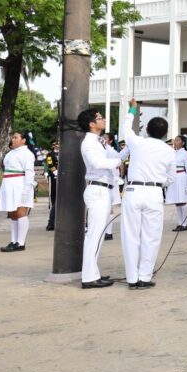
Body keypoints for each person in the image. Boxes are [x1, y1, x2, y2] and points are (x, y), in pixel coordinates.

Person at [120, 99, 177, 289]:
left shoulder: (137, 142)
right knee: (151, 236)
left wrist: (132, 110)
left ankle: (131, 278)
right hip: (154, 192)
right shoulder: (169, 151)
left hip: (134, 190)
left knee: (131, 235)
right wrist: (161, 183)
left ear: (147, 131)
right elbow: (171, 178)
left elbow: (126, 128)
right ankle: (144, 277)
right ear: (165, 134)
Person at [77, 108, 123, 289]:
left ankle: (93, 272)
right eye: (100, 118)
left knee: (99, 234)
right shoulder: (89, 142)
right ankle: (89, 277)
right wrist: (118, 163)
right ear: (91, 124)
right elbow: (98, 163)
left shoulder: (99, 141)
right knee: (94, 234)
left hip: (104, 189)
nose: (103, 120)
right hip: (97, 189)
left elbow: (115, 156)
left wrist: (128, 151)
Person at [0, 131, 36, 252]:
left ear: (23, 140)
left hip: (20, 184)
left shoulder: (27, 153)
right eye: (12, 137)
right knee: (13, 214)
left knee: (20, 213)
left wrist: (26, 189)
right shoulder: (11, 153)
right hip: (9, 184)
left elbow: (29, 172)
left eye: (15, 137)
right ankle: (14, 240)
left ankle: (20, 242)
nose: (13, 139)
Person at [168, 134, 187, 231]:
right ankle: (180, 222)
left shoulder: (185, 154)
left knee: (182, 201)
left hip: (182, 177)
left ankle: (184, 223)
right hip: (174, 178)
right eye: (175, 140)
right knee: (177, 201)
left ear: (182, 143)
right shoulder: (173, 153)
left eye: (177, 140)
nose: (175, 142)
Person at [43, 139, 59, 230]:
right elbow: (50, 164)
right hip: (54, 177)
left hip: (63, 176)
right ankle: (52, 221)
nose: (56, 146)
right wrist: (55, 171)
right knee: (53, 196)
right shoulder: (50, 155)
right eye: (55, 144)